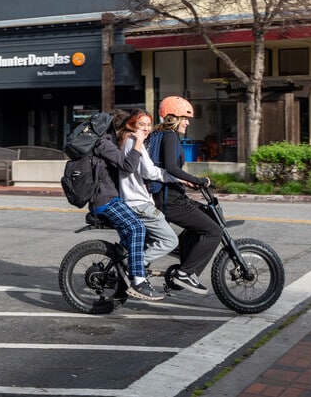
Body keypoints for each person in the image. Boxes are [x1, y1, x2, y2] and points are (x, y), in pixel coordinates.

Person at [152, 96, 223, 295]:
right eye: (185, 118)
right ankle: (185, 273)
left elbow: (166, 170)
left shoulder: (161, 134)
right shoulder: (170, 136)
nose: (188, 122)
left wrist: (187, 181)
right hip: (169, 199)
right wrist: (198, 180)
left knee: (206, 214)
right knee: (214, 232)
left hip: (170, 194)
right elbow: (171, 167)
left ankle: (182, 250)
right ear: (173, 116)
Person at [91, 112, 164, 302]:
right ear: (123, 127)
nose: (134, 132)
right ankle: (138, 280)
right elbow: (129, 166)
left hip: (115, 199)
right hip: (104, 200)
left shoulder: (114, 143)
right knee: (136, 227)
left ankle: (121, 271)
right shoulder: (104, 144)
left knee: (137, 237)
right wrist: (138, 141)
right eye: (133, 128)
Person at [117, 109, 180, 275]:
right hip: (139, 204)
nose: (146, 128)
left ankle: (138, 264)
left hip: (136, 201)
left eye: (148, 125)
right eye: (141, 124)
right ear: (132, 125)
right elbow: (149, 172)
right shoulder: (133, 141)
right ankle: (134, 265)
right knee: (170, 240)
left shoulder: (130, 141)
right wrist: (177, 177)